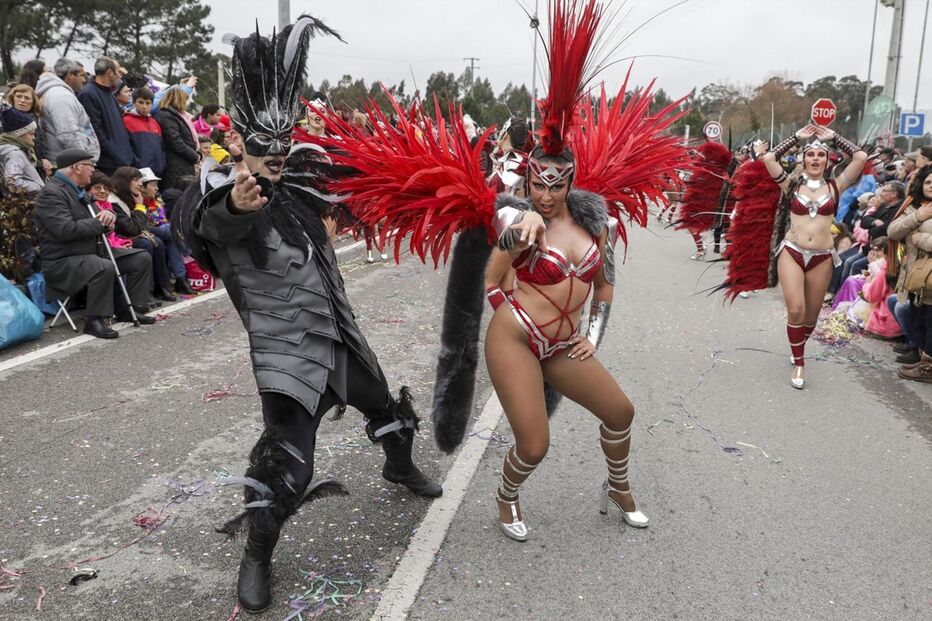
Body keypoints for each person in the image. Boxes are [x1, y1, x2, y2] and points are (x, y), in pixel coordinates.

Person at [172, 17, 441, 613]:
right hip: (289, 359)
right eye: (262, 146)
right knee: (286, 467)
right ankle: (258, 554)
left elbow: (378, 186)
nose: (274, 156)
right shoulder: (216, 189)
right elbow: (205, 224)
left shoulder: (300, 181)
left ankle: (398, 467)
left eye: (282, 143)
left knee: (386, 408)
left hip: (341, 340)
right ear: (240, 140)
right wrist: (236, 203)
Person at [759, 124, 868, 388]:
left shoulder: (837, 185)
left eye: (820, 155)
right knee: (795, 309)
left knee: (809, 317)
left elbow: (861, 158)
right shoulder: (790, 184)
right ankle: (799, 362)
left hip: (822, 256)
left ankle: (798, 343)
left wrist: (835, 138)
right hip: (792, 252)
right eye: (811, 155)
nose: (815, 159)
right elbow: (769, 158)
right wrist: (797, 137)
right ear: (804, 158)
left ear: (827, 159)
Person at [32, 149, 154, 338]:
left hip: (92, 252)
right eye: (90, 166)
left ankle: (128, 308)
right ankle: (94, 320)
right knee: (102, 266)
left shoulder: (79, 191)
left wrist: (109, 217)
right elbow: (64, 229)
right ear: (77, 167)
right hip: (63, 260)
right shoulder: (51, 194)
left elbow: (100, 219)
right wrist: (100, 223)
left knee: (141, 258)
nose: (92, 171)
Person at [887, 164, 932, 382]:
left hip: (930, 277)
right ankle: (922, 357)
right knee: (917, 316)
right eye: (928, 182)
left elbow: (918, 239)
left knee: (930, 320)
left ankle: (928, 367)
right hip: (914, 275)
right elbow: (893, 231)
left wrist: (922, 240)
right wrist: (918, 216)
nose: (931, 186)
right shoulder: (913, 206)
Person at [109, 166, 176, 303]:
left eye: (140, 180)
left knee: (158, 243)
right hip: (119, 241)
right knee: (146, 244)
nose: (140, 184)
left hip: (133, 235)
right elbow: (131, 228)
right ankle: (146, 291)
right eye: (135, 180)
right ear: (123, 181)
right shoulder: (114, 201)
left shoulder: (129, 196)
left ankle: (162, 287)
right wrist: (139, 206)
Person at [78, 57, 137, 174]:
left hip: (121, 161)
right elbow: (95, 130)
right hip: (107, 165)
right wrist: (115, 154)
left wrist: (128, 155)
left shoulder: (110, 95)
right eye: (118, 72)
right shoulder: (88, 94)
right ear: (110, 73)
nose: (120, 76)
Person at [34, 58, 99, 164]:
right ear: (70, 74)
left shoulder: (58, 93)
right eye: (81, 75)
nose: (84, 80)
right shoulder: (61, 96)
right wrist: (83, 162)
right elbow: (68, 134)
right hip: (71, 165)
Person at [139, 167, 192, 294]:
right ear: (142, 187)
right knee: (173, 231)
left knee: (172, 237)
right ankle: (183, 272)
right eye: (152, 185)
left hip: (161, 230)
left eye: (156, 185)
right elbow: (144, 225)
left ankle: (181, 278)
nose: (157, 188)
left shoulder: (157, 201)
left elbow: (163, 219)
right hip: (147, 232)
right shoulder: (138, 202)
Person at [157, 87, 199, 191]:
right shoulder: (166, 115)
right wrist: (194, 156)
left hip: (183, 163)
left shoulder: (178, 116)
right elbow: (175, 141)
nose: (187, 103)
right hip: (175, 164)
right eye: (185, 99)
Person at [0, 108, 45, 194]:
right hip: (26, 200)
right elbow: (12, 181)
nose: (34, 138)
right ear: (19, 135)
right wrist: (38, 187)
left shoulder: (10, 149)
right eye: (31, 134)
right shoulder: (14, 153)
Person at [123, 87, 166, 177]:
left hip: (156, 173)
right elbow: (125, 148)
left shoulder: (155, 123)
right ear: (134, 102)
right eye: (141, 102)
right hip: (136, 172)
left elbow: (161, 147)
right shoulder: (126, 121)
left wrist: (161, 164)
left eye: (148, 103)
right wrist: (138, 164)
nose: (144, 106)